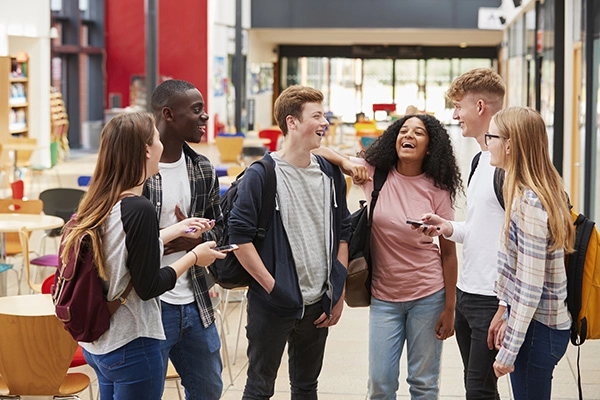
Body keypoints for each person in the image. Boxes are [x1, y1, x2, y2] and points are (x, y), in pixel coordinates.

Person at [61, 112, 225, 400]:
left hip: (100, 345)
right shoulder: (140, 209)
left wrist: (175, 229)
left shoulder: (101, 201)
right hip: (133, 342)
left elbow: (121, 252)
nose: (162, 144)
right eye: (157, 139)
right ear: (147, 150)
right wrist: (194, 257)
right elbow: (150, 285)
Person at [318, 113, 461, 399]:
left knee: (423, 384)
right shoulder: (375, 174)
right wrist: (348, 163)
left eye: (418, 133)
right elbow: (315, 148)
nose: (408, 136)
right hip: (384, 298)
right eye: (403, 130)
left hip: (428, 295)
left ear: (430, 147)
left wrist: (450, 307)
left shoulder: (438, 188)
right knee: (380, 384)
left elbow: (448, 252)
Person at [228, 85, 351, 399]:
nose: (325, 122)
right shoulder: (261, 175)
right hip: (272, 305)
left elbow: (343, 232)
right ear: (292, 122)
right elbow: (239, 238)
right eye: (317, 115)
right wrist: (273, 288)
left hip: (318, 305)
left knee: (306, 388)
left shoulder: (330, 173)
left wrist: (337, 291)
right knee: (259, 388)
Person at [419, 68, 507, 399]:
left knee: (479, 390)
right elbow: (483, 229)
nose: (455, 115)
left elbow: (521, 239)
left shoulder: (507, 165)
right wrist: (449, 228)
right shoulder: (480, 160)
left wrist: (506, 306)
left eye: (459, 106)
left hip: (492, 297)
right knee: (479, 389)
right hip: (468, 293)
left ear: (480, 106)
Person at [143, 79, 225, 399]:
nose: (205, 117)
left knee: (209, 391)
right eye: (196, 110)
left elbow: (220, 230)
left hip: (195, 302)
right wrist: (167, 237)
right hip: (150, 306)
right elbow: (119, 240)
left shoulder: (202, 168)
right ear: (168, 114)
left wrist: (194, 242)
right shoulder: (138, 170)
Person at [485, 107, 574, 399]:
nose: (487, 143)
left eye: (492, 136)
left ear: (510, 145)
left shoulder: (531, 203)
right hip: (538, 327)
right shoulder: (534, 192)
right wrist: (504, 310)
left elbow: (530, 286)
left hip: (538, 331)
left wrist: (508, 351)